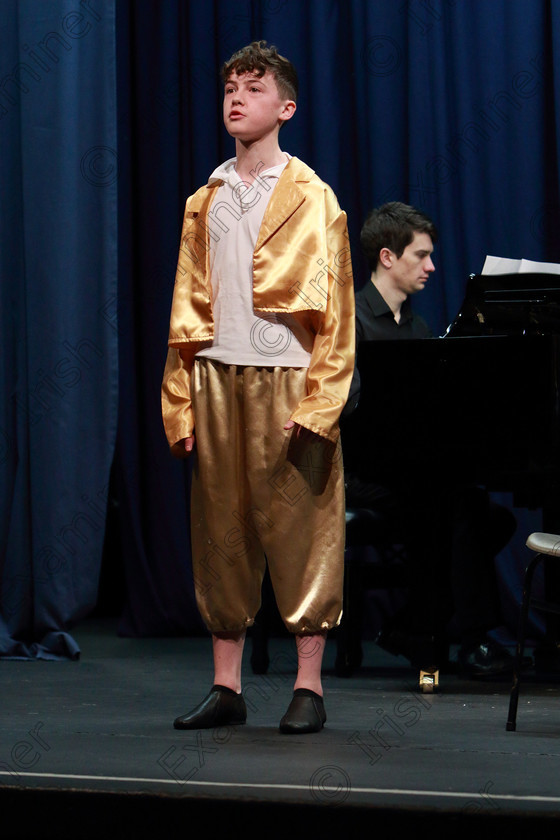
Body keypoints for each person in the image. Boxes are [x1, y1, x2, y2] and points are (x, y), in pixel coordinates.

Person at [161, 41, 355, 733]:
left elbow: (338, 312)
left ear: (286, 106)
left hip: (287, 377)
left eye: (253, 88)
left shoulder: (312, 196)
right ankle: (226, 684)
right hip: (216, 373)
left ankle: (310, 687)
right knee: (221, 527)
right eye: (229, 89)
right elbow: (186, 307)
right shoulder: (203, 199)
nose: (236, 99)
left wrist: (321, 401)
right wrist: (179, 398)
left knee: (301, 525)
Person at [344, 201, 517, 678]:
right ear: (386, 258)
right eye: (420, 256)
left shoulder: (418, 328)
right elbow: (351, 413)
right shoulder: (351, 321)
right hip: (360, 471)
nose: (431, 266)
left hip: (409, 470)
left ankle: (411, 626)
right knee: (454, 508)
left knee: (491, 516)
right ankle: (474, 637)